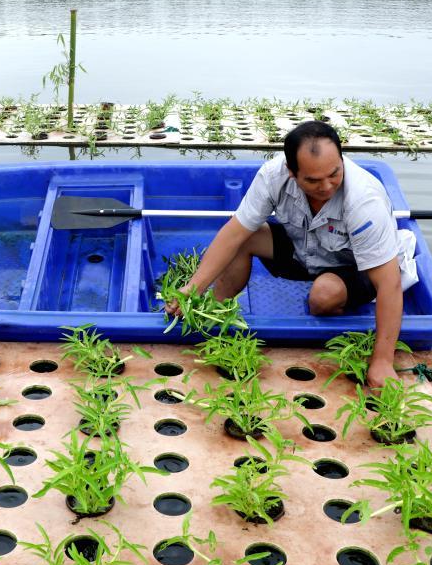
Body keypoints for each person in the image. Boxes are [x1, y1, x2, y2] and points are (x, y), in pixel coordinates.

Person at [166, 121, 417, 388]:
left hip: (353, 265)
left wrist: (382, 361)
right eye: (313, 180)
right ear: (291, 172)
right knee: (247, 235)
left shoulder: (364, 202)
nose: (327, 187)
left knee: (323, 297)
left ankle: (345, 306)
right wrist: (191, 290)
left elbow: (389, 283)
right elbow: (234, 233)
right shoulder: (273, 177)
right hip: (304, 251)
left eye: (334, 174)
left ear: (341, 159)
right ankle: (215, 312)